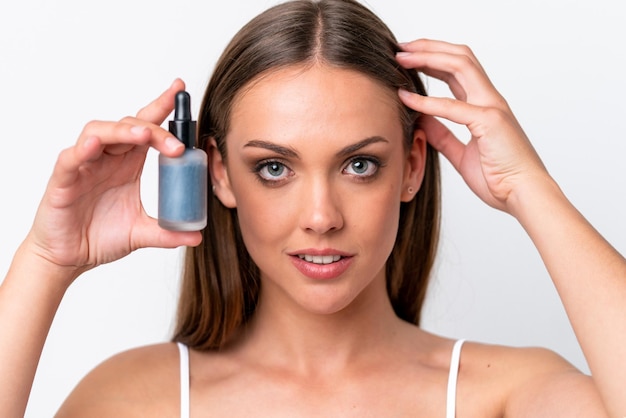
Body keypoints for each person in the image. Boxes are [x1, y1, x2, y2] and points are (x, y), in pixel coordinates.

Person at [1, 0, 624, 416]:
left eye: (360, 165)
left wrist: (529, 189)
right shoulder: (137, 400)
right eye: (274, 168)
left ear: (412, 166)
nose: (321, 216)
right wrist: (46, 259)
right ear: (218, 172)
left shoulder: (506, 397)